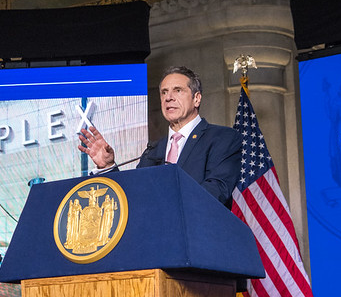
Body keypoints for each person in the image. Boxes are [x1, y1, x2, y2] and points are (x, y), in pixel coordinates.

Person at [78, 66, 242, 207]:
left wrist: (161, 205)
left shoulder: (222, 138)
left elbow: (216, 192)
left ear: (197, 98)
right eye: (164, 92)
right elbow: (133, 195)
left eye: (178, 90)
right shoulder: (154, 150)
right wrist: (108, 167)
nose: (169, 97)